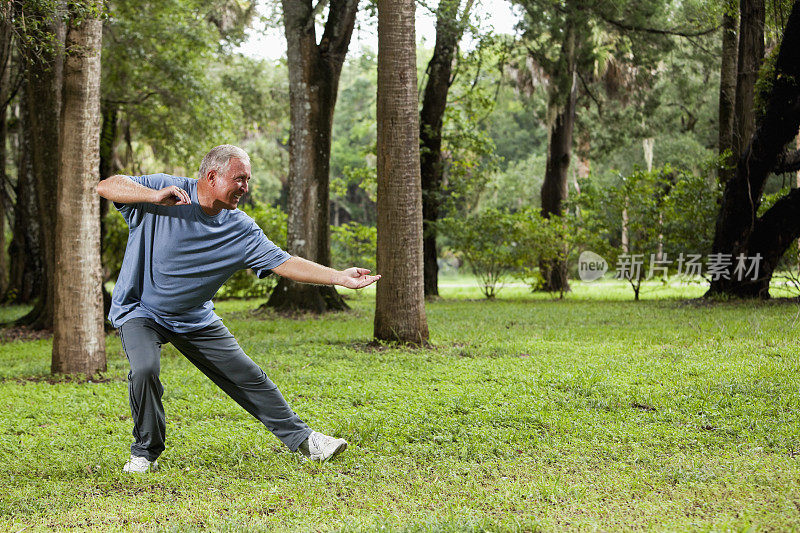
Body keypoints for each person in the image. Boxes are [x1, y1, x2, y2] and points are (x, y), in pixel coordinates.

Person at [96, 144, 380, 473]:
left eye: (248, 180)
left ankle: (306, 442)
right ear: (212, 176)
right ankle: (145, 453)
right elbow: (107, 185)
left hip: (194, 317)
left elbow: (284, 262)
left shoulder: (240, 229)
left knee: (249, 376)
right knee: (144, 369)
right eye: (240, 179)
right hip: (140, 310)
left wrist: (338, 278)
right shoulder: (167, 192)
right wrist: (152, 196)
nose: (245, 187)